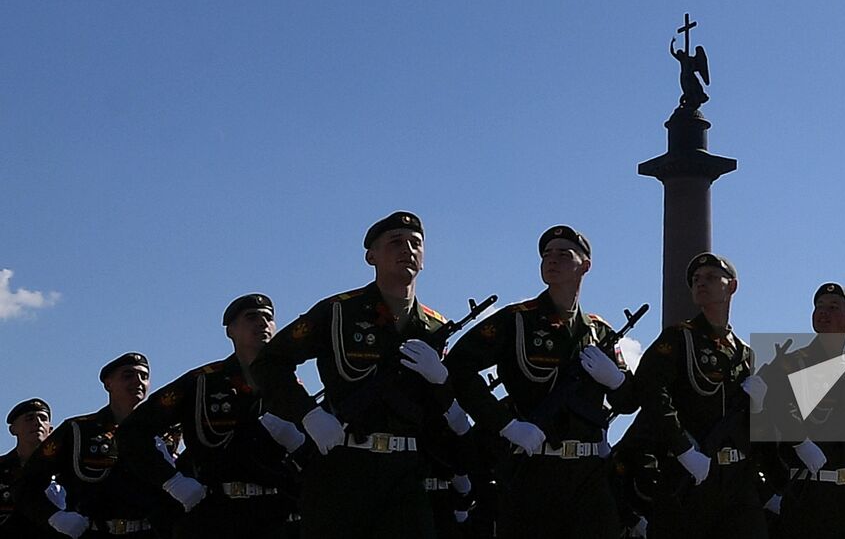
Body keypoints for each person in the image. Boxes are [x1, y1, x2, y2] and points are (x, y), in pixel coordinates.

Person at [251, 211, 462, 539]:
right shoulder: (338, 311)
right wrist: (308, 415)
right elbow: (269, 363)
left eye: (415, 243)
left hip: (406, 473)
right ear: (371, 256)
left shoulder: (434, 327)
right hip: (344, 465)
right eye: (395, 242)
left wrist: (442, 383)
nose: (407, 249)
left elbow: (437, 412)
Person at [445, 225, 638, 539]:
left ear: (585, 266)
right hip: (533, 472)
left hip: (589, 477)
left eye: (564, 254)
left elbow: (628, 402)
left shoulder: (599, 332)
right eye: (547, 254)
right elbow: (458, 367)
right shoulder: (517, 320)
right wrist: (506, 425)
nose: (552, 259)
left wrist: (616, 380)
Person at [118, 293, 302, 538]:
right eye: (251, 317)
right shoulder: (202, 383)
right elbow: (132, 432)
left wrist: (299, 443)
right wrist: (172, 481)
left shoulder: (289, 384)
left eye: (268, 318)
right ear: (230, 331)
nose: (262, 323)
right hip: (218, 515)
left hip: (280, 515)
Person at [635, 252, 767, 539]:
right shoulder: (678, 338)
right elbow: (652, 393)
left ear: (732, 286)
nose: (701, 283)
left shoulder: (744, 355)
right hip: (689, 473)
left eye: (711, 277)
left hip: (738, 480)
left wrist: (761, 407)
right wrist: (683, 449)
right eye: (696, 279)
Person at [757, 282, 845, 539]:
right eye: (819, 306)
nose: (823, 312)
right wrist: (800, 441)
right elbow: (775, 407)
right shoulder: (792, 364)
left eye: (833, 307)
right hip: (811, 494)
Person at [16, 353, 173, 538]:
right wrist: (55, 517)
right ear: (108, 384)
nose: (138, 381)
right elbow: (26, 484)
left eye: (144, 376)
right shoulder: (77, 431)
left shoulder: (163, 432)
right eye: (128, 375)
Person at [1, 399, 54, 538]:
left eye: (43, 418)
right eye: (29, 418)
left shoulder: (63, 468)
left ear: (51, 430)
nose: (38, 423)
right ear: (13, 429)